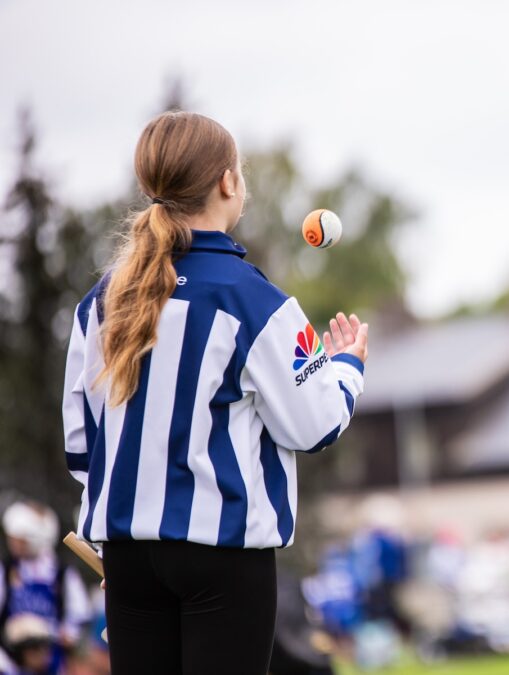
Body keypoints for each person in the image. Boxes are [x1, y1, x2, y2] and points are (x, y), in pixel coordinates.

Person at [60, 111, 369, 675]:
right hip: (222, 561)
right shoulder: (251, 300)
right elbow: (315, 424)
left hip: (127, 559)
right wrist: (346, 364)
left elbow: (82, 442)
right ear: (229, 183)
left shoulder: (102, 300)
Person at [0, 501, 91, 675]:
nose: (14, 544)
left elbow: (78, 616)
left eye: (20, 539)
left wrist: (64, 635)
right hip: (12, 661)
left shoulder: (61, 573)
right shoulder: (6, 570)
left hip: (52, 660)